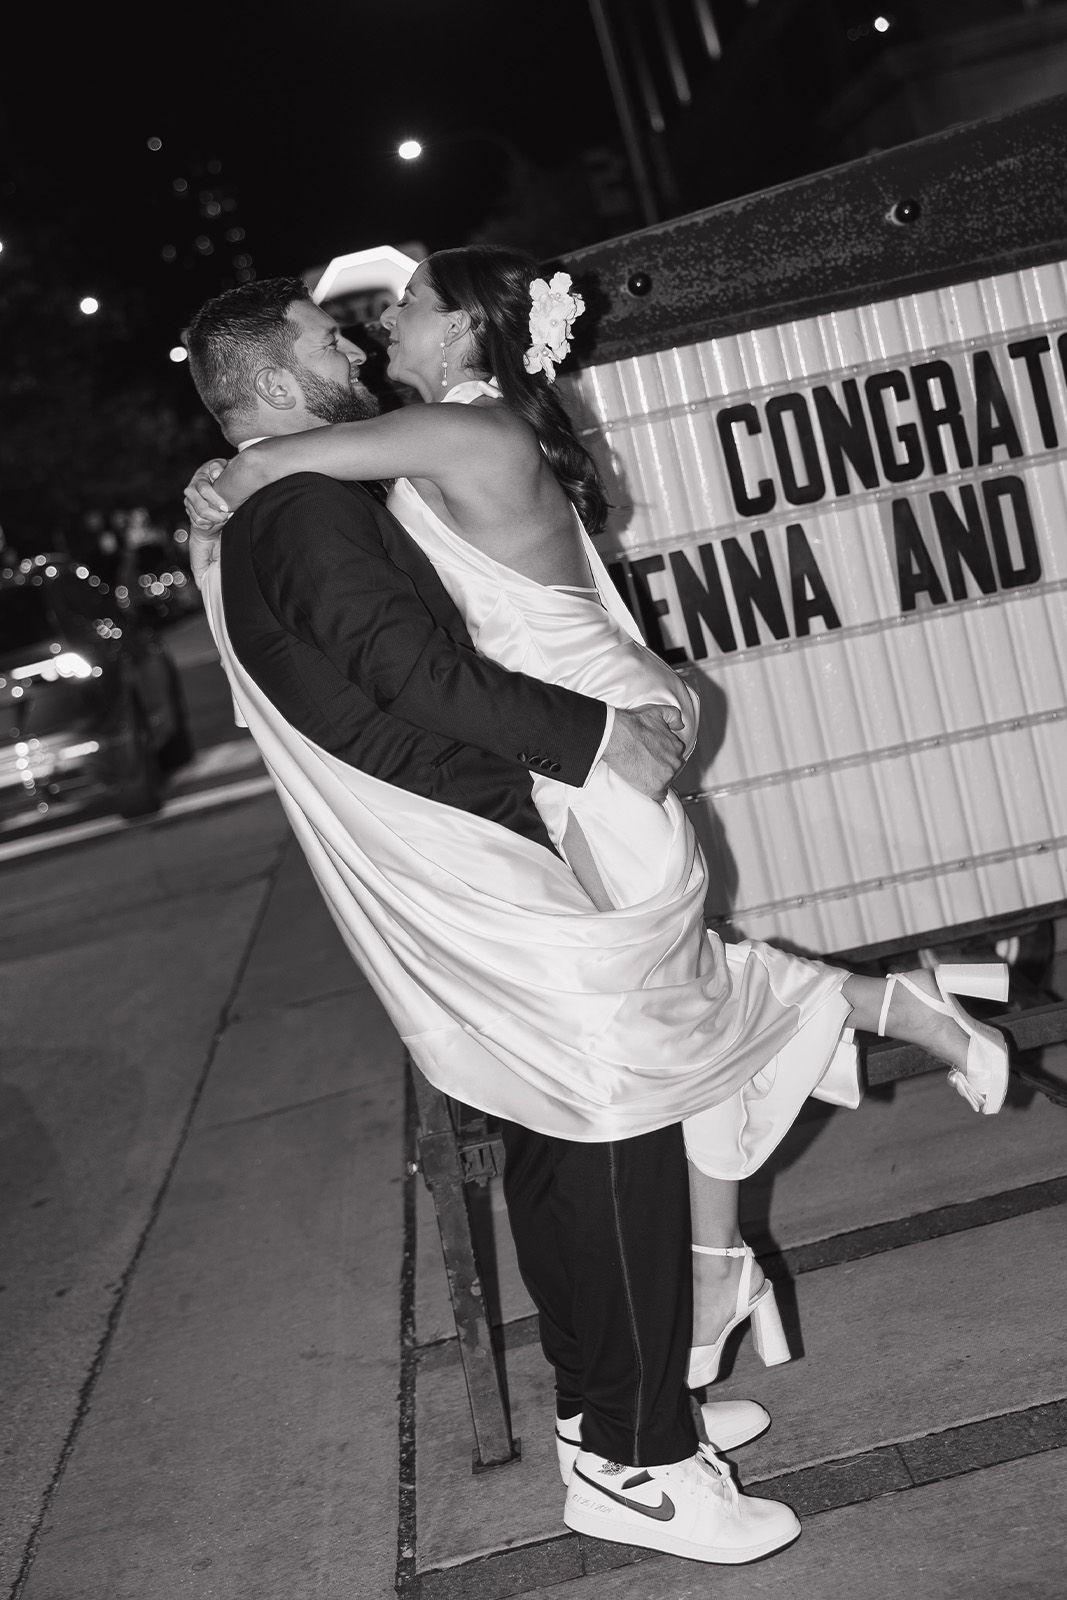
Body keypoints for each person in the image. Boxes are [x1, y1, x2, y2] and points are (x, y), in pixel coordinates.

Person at [180, 263, 1009, 1562]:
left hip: (471, 860)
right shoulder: (299, 516)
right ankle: (638, 1465)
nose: (343, 344)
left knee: (565, 1144)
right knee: (619, 1127)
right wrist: (593, 739)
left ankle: (610, 1415)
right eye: (317, 338)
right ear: (278, 379)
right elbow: (414, 673)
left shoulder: (256, 512)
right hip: (485, 864)